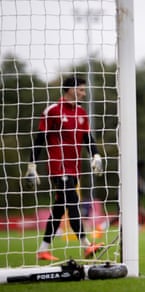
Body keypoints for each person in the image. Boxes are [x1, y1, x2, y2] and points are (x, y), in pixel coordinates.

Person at [24, 76, 104, 261]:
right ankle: (86, 246)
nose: (84, 93)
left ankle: (43, 249)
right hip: (58, 168)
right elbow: (40, 140)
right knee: (73, 202)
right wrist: (31, 165)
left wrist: (96, 155)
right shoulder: (52, 111)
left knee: (60, 209)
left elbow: (87, 138)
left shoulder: (82, 113)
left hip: (74, 168)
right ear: (70, 89)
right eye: (81, 90)